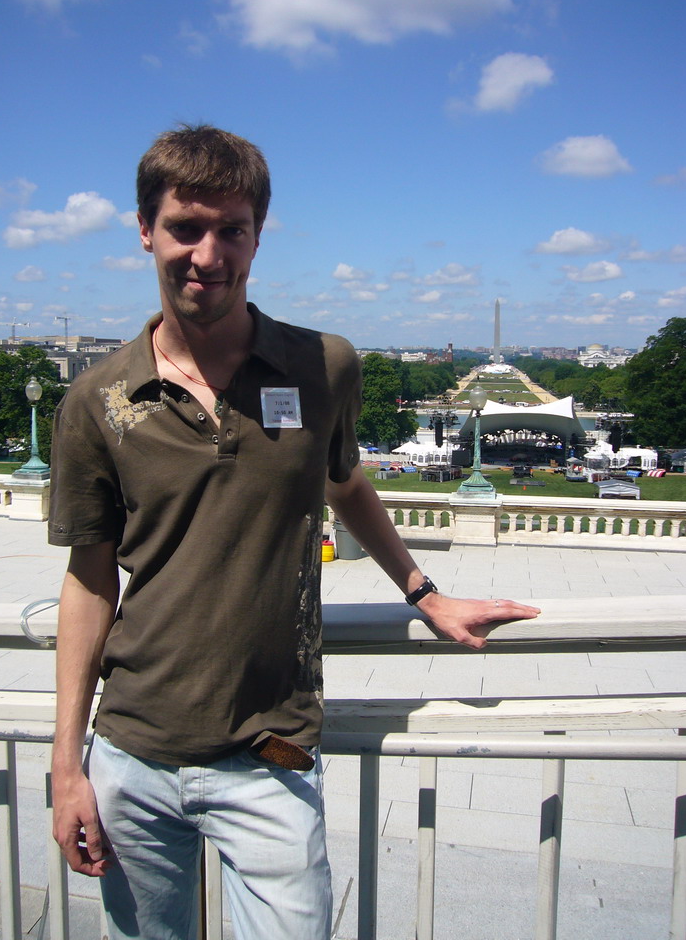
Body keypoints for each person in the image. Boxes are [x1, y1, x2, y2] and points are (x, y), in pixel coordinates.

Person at [49, 124, 540, 940]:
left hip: (268, 756)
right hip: (131, 755)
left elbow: (345, 485)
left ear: (257, 236)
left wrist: (425, 592)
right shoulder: (96, 402)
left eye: (231, 229)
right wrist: (69, 765)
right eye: (185, 227)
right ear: (145, 230)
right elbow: (90, 578)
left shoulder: (323, 366)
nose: (208, 254)